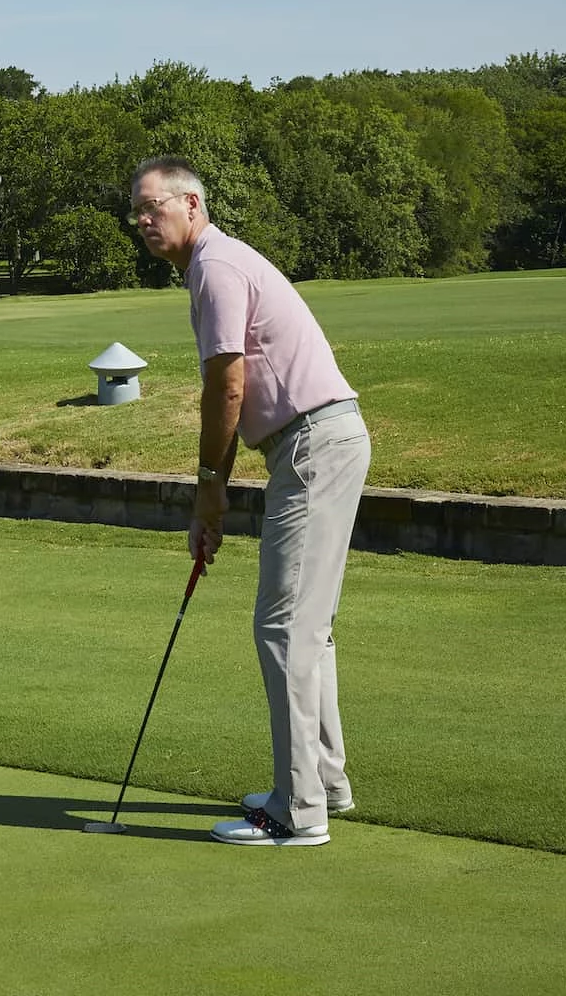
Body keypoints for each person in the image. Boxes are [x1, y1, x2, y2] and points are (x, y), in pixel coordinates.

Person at [129, 156, 369, 847]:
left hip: (312, 445)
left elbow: (227, 386)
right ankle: (323, 782)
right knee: (307, 627)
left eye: (155, 207)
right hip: (318, 442)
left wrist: (209, 490)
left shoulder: (215, 267)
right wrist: (215, 491)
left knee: (284, 628)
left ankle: (299, 811)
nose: (144, 221)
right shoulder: (215, 264)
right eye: (137, 212)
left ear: (193, 204)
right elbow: (233, 390)